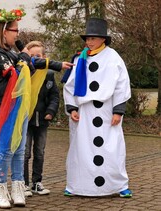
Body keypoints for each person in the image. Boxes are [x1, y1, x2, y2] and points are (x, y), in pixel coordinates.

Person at [0, 8, 73, 209]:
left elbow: (31, 61)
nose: (18, 34)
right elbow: (15, 72)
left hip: (20, 106)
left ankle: (18, 186)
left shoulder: (11, 52)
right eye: (15, 30)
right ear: (3, 31)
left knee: (19, 149)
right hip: (4, 107)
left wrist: (56, 64)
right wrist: (24, 56)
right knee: (6, 149)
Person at [63, 18, 132, 198]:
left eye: (92, 38)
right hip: (85, 112)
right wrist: (72, 108)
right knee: (81, 149)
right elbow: (69, 86)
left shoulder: (113, 57)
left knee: (112, 147)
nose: (89, 42)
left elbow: (121, 85)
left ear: (103, 39)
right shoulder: (80, 59)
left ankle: (118, 185)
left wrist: (118, 111)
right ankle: (77, 185)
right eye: (87, 39)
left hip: (107, 111)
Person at [24, 41, 59, 196]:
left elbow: (54, 96)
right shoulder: (24, 73)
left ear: (44, 57)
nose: (35, 59)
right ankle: (22, 183)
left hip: (42, 119)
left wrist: (51, 111)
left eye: (38, 56)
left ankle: (36, 182)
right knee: (24, 153)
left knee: (39, 152)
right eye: (32, 56)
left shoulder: (49, 75)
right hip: (26, 119)